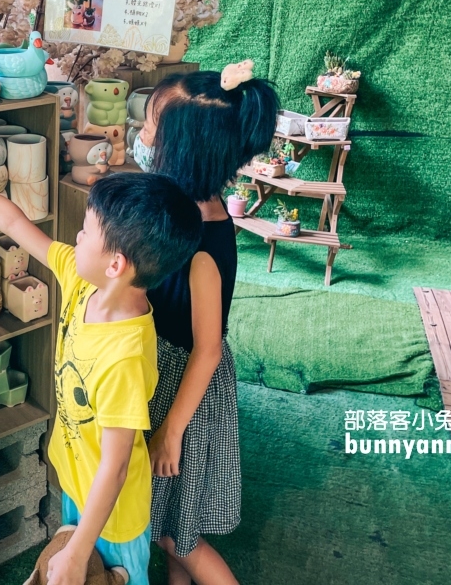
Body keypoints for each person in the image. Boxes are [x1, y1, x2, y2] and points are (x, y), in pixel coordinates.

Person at [0, 157, 203, 585]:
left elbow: (116, 467)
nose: (76, 237)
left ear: (116, 264)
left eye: (85, 231)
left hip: (114, 514)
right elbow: (12, 222)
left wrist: (80, 549)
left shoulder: (125, 357)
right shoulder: (84, 280)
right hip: (78, 484)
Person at [132, 62, 279, 585]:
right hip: (175, 376)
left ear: (185, 147)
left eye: (152, 126)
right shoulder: (191, 209)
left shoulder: (203, 242)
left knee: (175, 533)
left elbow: (208, 349)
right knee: (178, 521)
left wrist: (171, 432)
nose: (142, 135)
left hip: (185, 389)